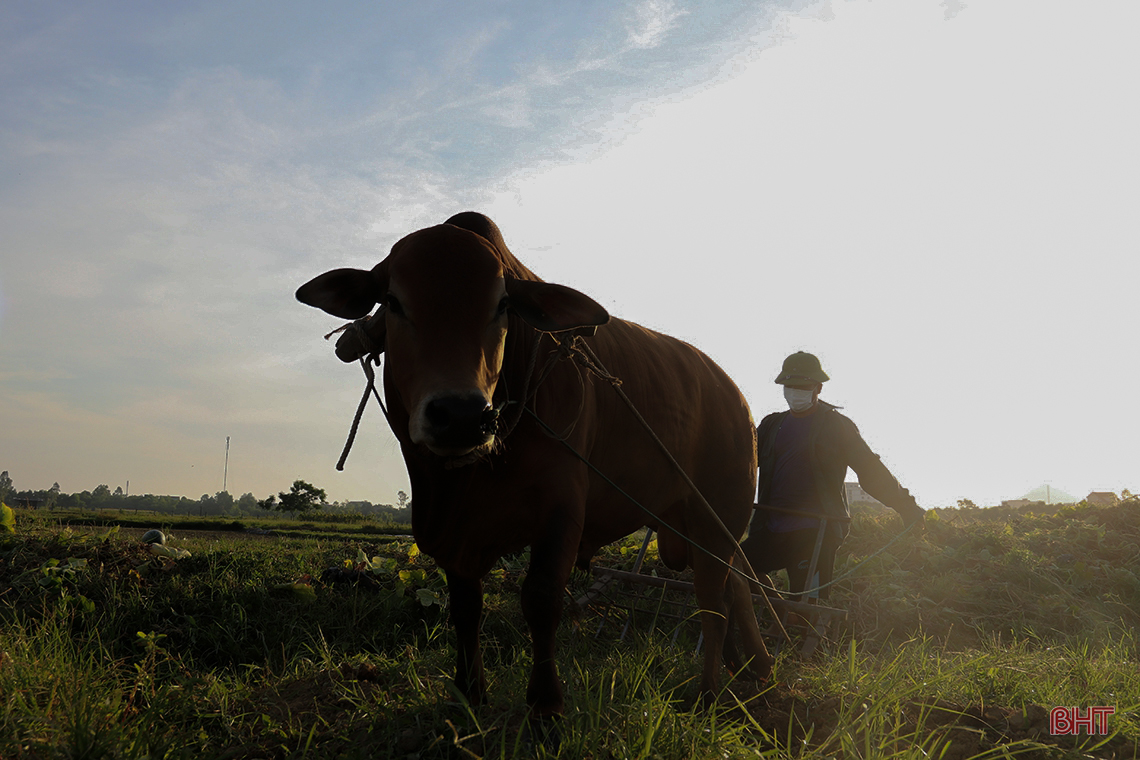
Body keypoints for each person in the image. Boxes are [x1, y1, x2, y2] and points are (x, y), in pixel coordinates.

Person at [740, 351, 924, 602]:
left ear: (818, 388)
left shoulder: (836, 426)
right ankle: (779, 612)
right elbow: (743, 462)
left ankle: (802, 624)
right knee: (737, 568)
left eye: (803, 386)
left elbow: (870, 470)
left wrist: (905, 505)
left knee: (808, 605)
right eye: (790, 386)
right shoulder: (772, 426)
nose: (795, 392)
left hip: (815, 530)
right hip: (771, 527)